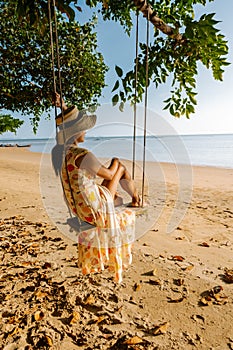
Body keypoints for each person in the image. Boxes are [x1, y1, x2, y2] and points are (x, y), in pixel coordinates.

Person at [51, 93, 140, 282]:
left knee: (117, 187)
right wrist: (116, 161)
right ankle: (137, 199)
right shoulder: (83, 155)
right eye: (84, 129)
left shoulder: (63, 153)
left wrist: (63, 105)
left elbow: (68, 121)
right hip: (96, 209)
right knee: (119, 165)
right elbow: (108, 174)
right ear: (77, 133)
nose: (86, 132)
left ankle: (133, 199)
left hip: (81, 207)